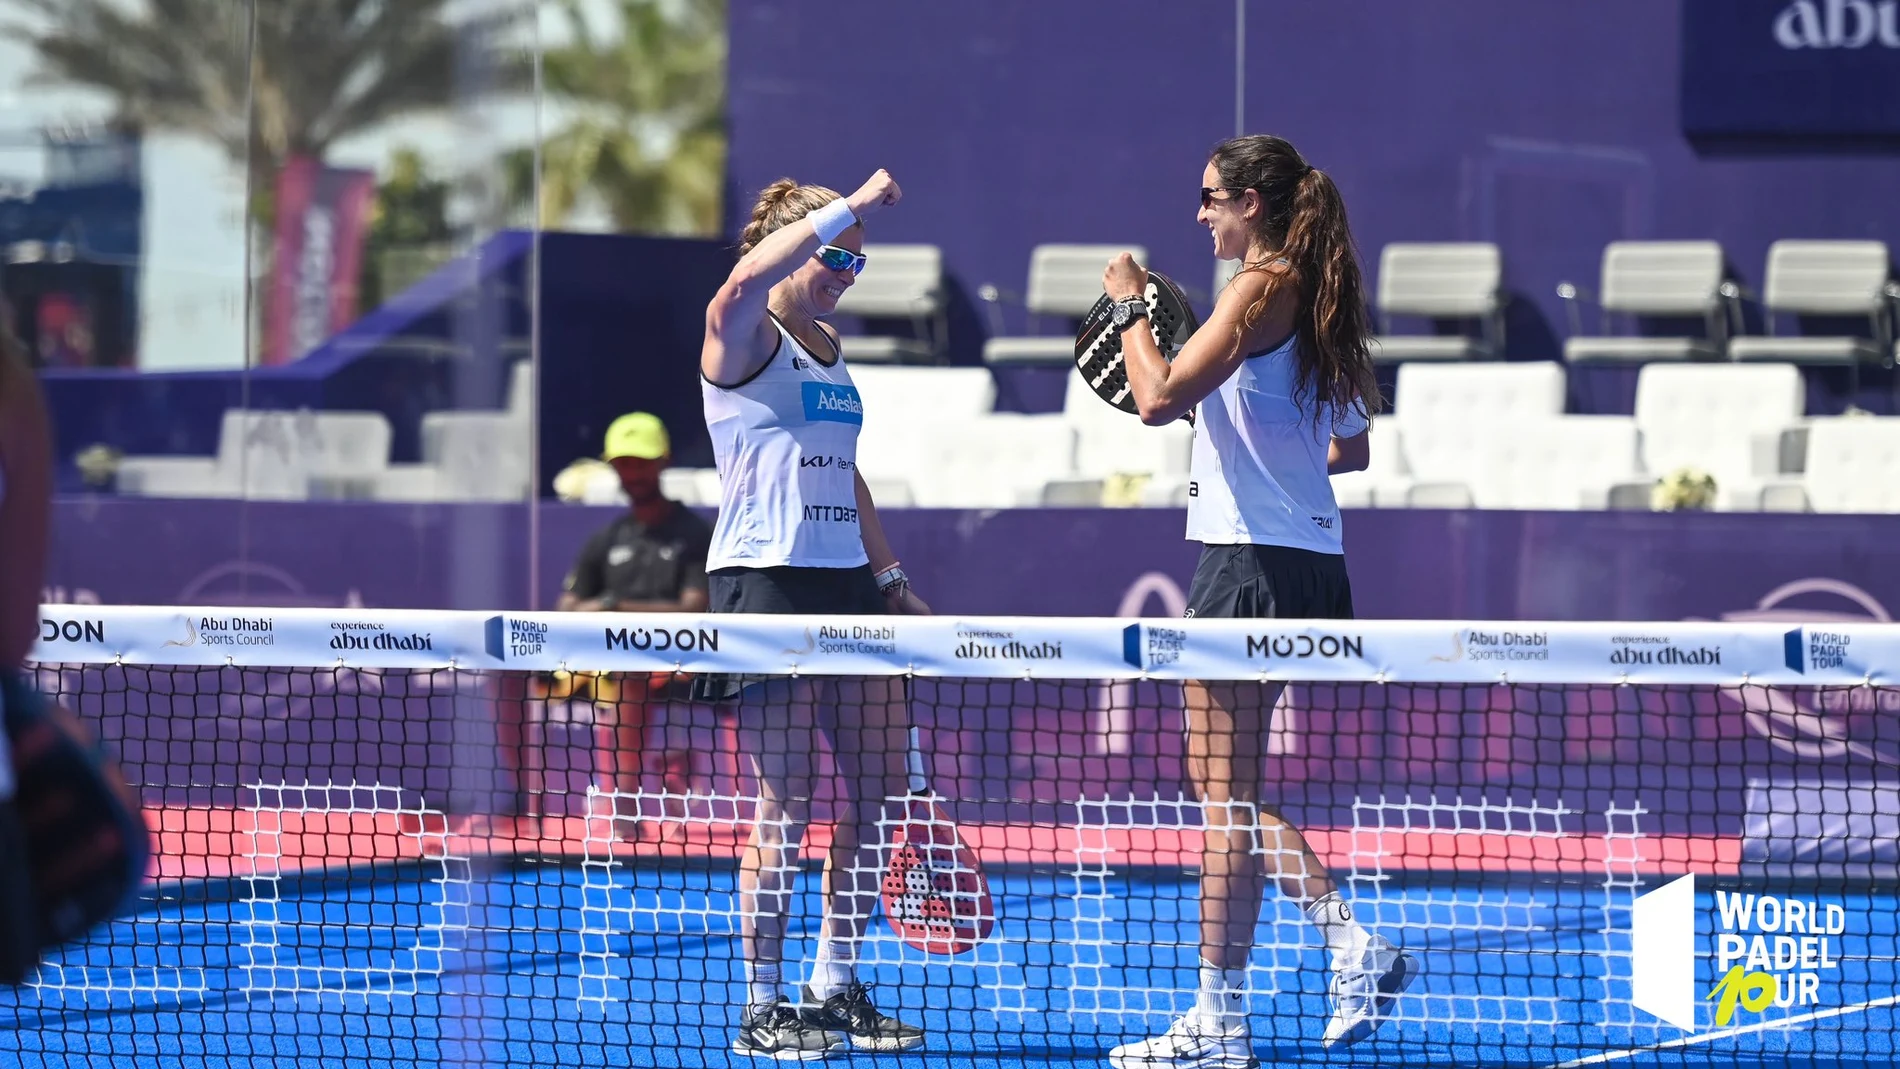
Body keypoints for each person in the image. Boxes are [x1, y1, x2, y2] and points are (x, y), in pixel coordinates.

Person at [1102, 136, 1417, 1069]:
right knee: (1228, 800)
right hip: (1311, 564)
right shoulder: (1322, 295)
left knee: (1222, 808)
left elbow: (1156, 397)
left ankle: (1256, 1000)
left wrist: (1129, 305)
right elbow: (1349, 449)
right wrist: (1259, 447)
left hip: (1246, 566)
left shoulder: (1256, 286)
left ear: (1250, 202)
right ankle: (1281, 984)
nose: (1200, 213)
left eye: (1211, 197)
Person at [699, 169, 931, 1060]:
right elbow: (742, 279)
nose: (845, 272)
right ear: (793, 244)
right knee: (785, 803)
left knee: (879, 792)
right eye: (835, 255)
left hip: (846, 588)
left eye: (857, 262)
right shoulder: (738, 331)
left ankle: (832, 983)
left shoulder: (828, 346)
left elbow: (846, 471)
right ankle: (763, 1005)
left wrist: (889, 575)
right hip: (765, 586)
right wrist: (854, 204)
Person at [555, 412, 712, 811]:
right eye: (624, 464)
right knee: (506, 676)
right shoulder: (606, 538)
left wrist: (613, 606)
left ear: (664, 462)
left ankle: (627, 799)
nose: (633, 473)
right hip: (601, 662)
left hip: (680, 660)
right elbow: (568, 605)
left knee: (632, 671)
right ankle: (521, 798)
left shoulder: (695, 534)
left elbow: (693, 607)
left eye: (641, 462)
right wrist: (599, 611)